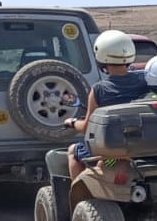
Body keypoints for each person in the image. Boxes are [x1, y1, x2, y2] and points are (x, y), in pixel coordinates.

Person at [63, 30, 152, 179]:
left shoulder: (99, 89)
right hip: (142, 146)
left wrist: (72, 122)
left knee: (73, 151)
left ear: (101, 56)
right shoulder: (145, 81)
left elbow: (86, 128)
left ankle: (80, 197)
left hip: (113, 151)